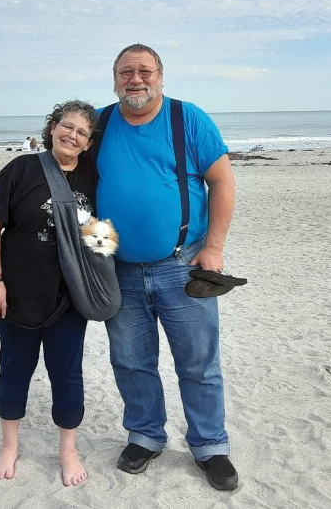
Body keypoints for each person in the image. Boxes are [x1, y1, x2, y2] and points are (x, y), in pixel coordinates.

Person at [95, 44, 238, 490]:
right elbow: (71, 187)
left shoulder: (187, 117)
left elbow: (222, 181)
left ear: (160, 75)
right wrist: (93, 249)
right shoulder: (98, 124)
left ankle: (210, 446)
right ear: (114, 78)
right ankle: (145, 436)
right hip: (118, 270)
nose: (135, 80)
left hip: (182, 265)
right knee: (131, 361)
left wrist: (213, 247)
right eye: (125, 72)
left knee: (198, 364)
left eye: (144, 71)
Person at [0, 100, 98, 486]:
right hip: (17, 295)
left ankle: (68, 449)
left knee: (67, 375)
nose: (72, 135)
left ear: (88, 142)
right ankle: (9, 445)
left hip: (70, 299)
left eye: (81, 132)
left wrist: (104, 267)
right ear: (52, 128)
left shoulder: (93, 179)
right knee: (15, 370)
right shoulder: (21, 169)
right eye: (67, 127)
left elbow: (101, 233)